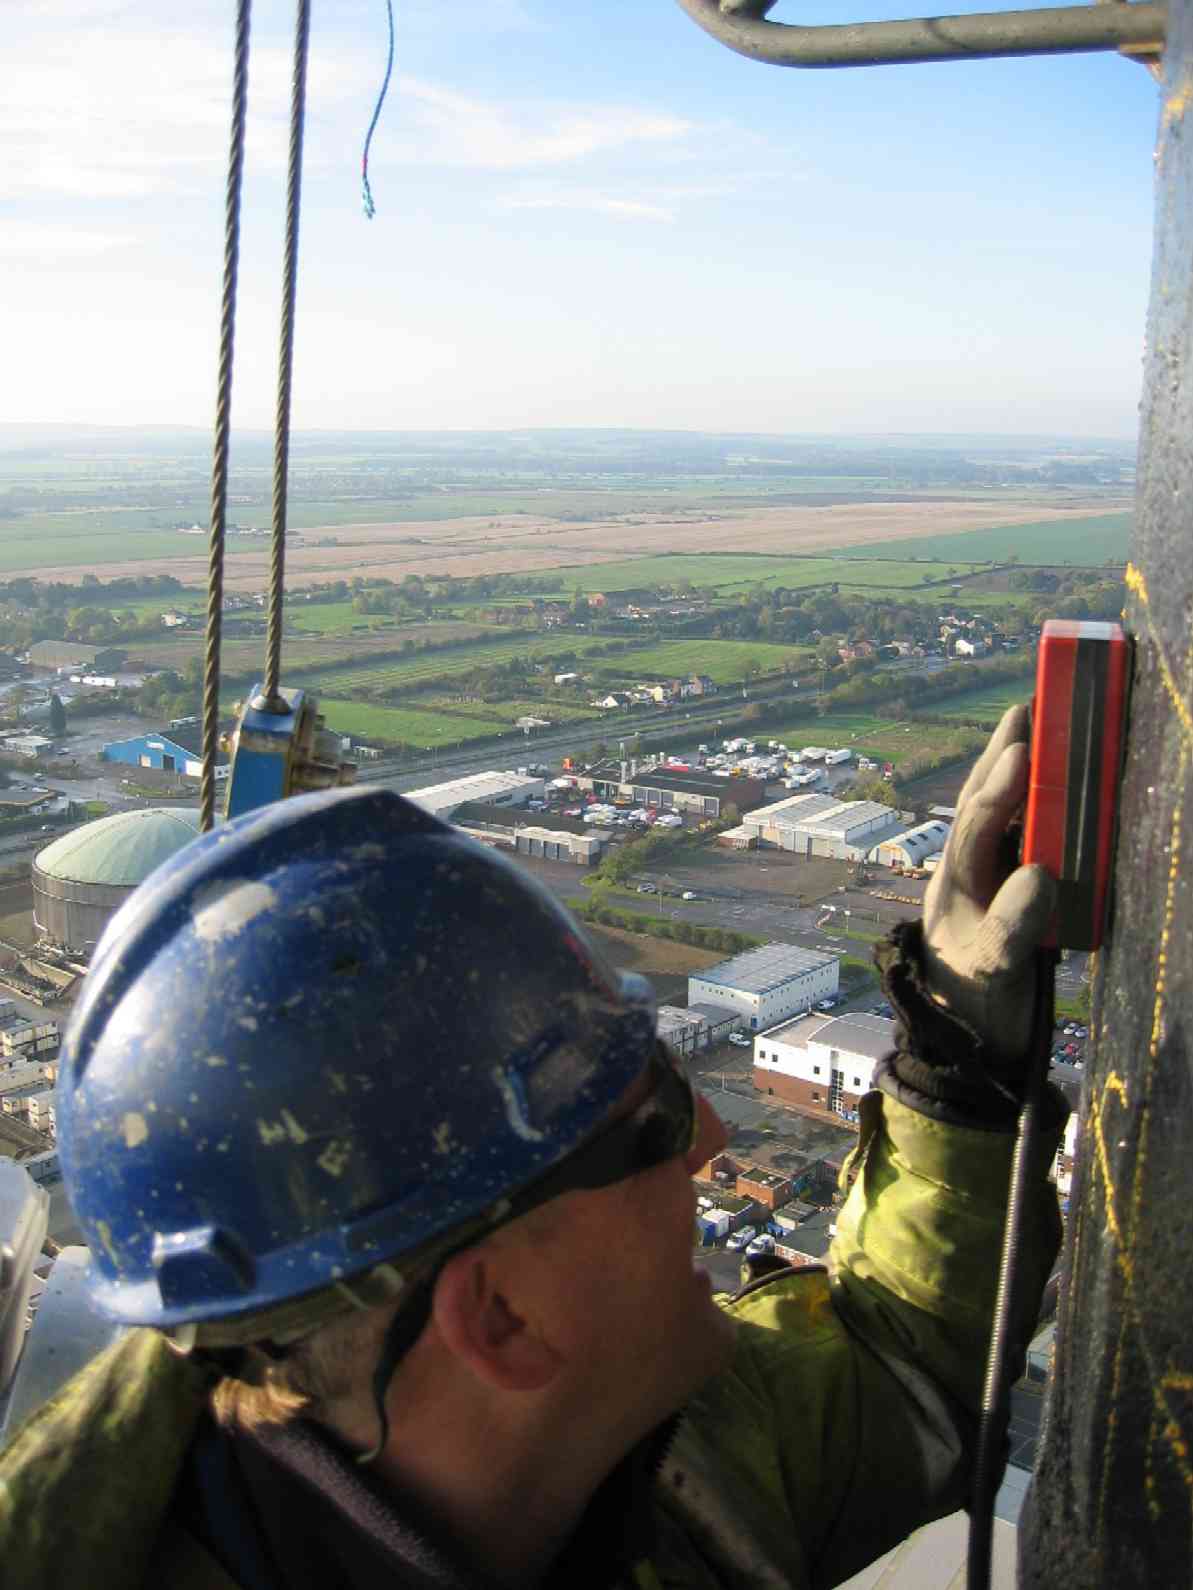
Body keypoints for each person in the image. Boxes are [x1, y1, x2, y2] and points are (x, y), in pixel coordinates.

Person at [0, 706, 1065, 1590]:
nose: (710, 1134)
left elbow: (896, 1380)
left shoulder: (669, 1458)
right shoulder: (676, 1474)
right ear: (500, 1318)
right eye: (648, 1123)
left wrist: (952, 1061)